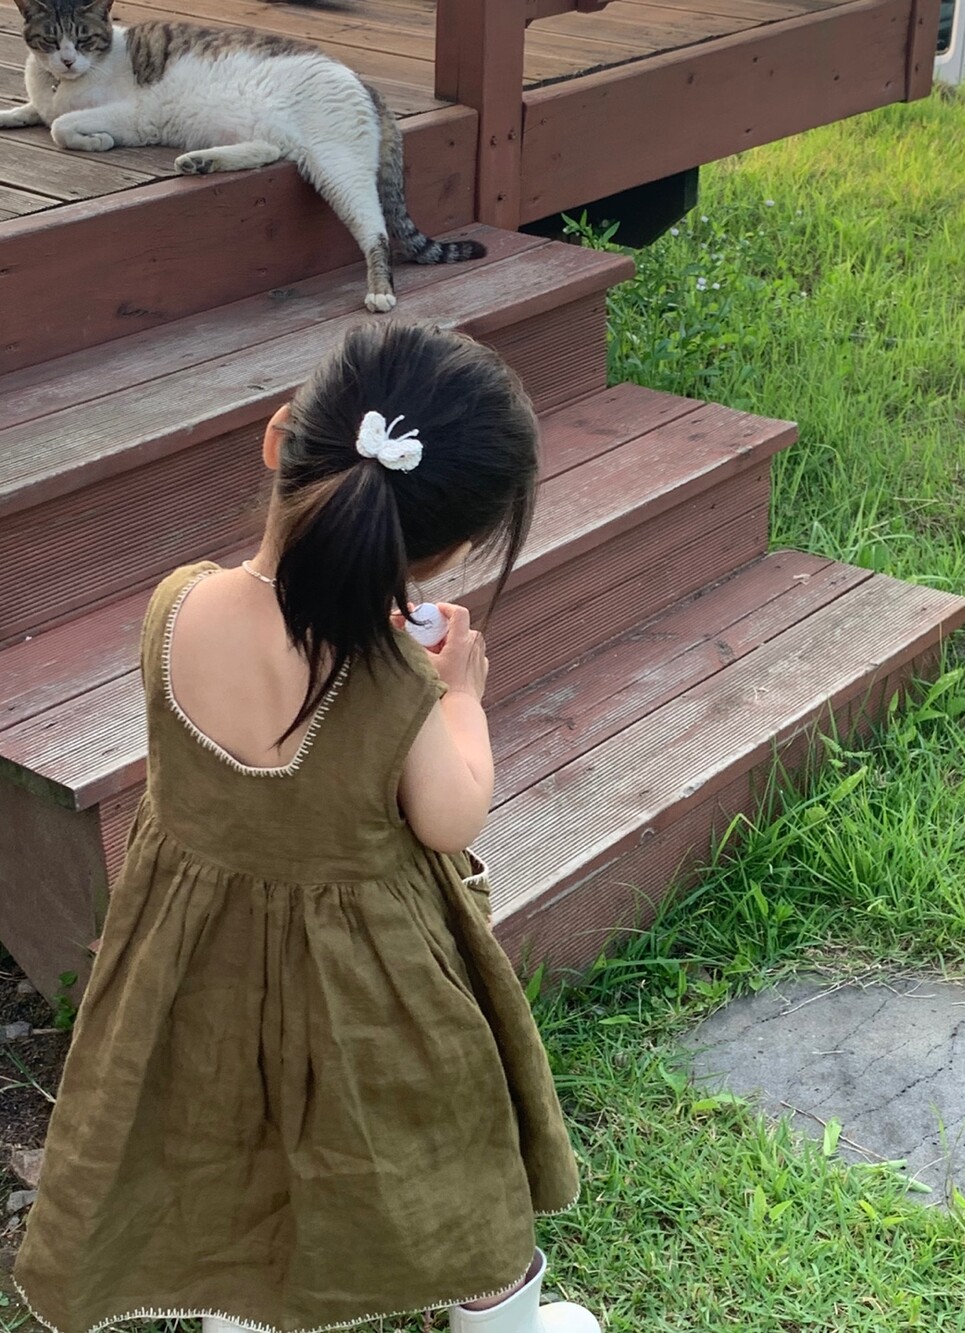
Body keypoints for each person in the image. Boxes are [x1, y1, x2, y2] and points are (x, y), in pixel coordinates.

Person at [13, 324, 601, 1333]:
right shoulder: (394, 679)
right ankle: (499, 1317)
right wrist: (461, 696)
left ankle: (242, 1311)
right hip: (370, 981)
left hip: (195, 966)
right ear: (447, 552)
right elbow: (450, 815)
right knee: (445, 1148)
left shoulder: (175, 607)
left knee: (230, 1145)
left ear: (279, 437)